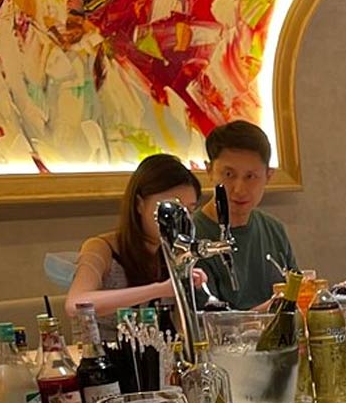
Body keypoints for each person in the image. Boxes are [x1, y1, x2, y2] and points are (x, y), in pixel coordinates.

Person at [65, 154, 209, 325]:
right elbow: (75, 305)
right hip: (107, 350)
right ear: (139, 204)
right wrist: (160, 290)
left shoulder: (175, 252)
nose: (179, 220)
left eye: (188, 211)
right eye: (169, 209)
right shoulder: (102, 247)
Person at [191, 120, 297, 310]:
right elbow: (208, 323)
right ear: (209, 171)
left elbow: (296, 296)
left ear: (268, 176)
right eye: (229, 174)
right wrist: (272, 308)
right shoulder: (191, 236)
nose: (239, 189)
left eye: (251, 177)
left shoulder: (274, 229)